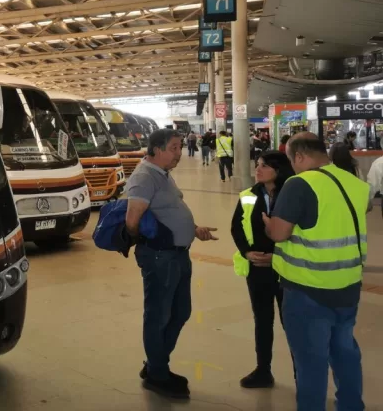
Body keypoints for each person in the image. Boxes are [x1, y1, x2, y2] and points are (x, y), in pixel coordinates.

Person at [263, 132, 372, 411]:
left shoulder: (300, 183)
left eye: (292, 160)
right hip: (348, 285)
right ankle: (351, 406)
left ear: (299, 156)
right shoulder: (354, 183)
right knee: (345, 352)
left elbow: (279, 233)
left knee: (311, 363)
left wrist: (267, 223)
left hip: (308, 289)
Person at [124, 129, 218, 399]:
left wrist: (193, 228)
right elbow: (133, 220)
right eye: (174, 148)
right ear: (156, 149)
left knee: (180, 311)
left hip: (177, 254)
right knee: (158, 315)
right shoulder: (144, 177)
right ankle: (158, 373)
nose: (179, 153)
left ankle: (155, 364)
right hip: (160, 257)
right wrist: (150, 243)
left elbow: (167, 211)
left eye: (179, 147)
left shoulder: (162, 174)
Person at [230, 151, 295, 389]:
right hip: (258, 269)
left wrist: (277, 256)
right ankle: (263, 370)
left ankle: (302, 374)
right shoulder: (249, 195)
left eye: (264, 165)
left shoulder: (292, 194)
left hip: (287, 268)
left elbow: (300, 232)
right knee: (263, 320)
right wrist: (247, 252)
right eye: (257, 164)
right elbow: (237, 227)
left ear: (278, 170)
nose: (258, 169)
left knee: (292, 323)